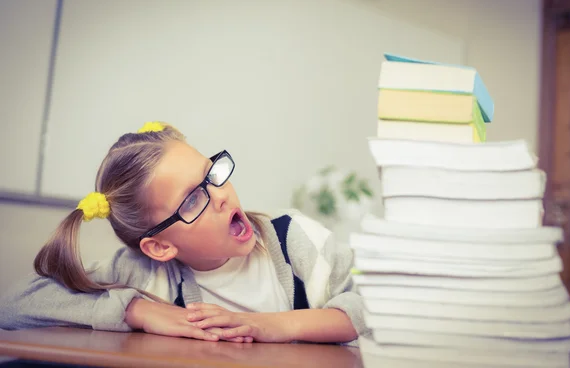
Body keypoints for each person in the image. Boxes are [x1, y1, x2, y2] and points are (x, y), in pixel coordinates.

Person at [0, 122, 366, 346]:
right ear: (159, 246)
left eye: (212, 174)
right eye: (193, 200)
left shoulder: (296, 241)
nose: (221, 195)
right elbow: (14, 306)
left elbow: (370, 305)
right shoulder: (147, 275)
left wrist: (271, 326)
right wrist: (137, 311)